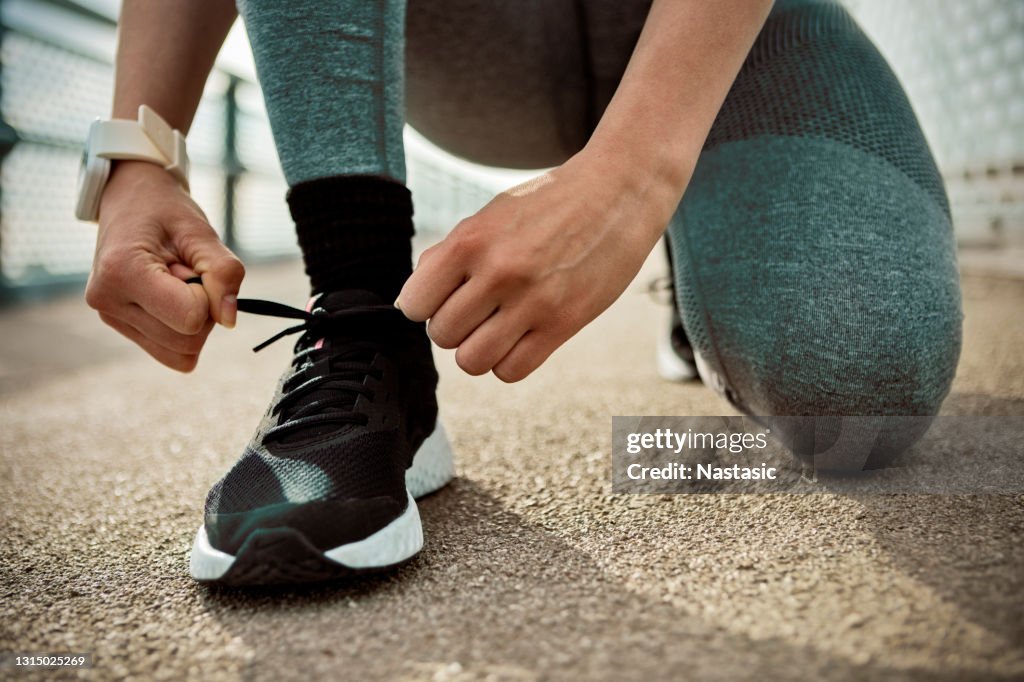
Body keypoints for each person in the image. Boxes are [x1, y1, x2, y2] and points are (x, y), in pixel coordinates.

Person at [84, 0, 962, 585]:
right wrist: (137, 157)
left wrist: (638, 176)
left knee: (856, 386)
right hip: (473, 41)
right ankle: (368, 332)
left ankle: (688, 240)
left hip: (740, 35)